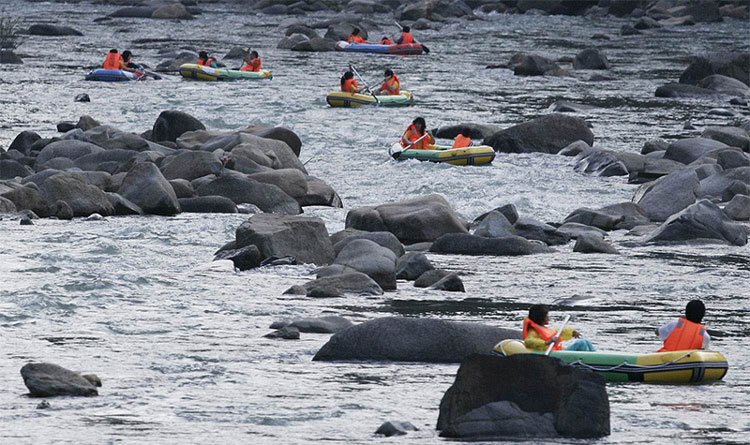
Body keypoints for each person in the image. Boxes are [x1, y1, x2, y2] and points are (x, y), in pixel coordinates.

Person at [523, 304, 595, 352]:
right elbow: (529, 341)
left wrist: (571, 332)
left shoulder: (543, 329)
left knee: (586, 342)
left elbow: (558, 333)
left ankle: (596, 358)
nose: (549, 318)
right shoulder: (533, 332)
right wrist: (547, 343)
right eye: (546, 317)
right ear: (540, 318)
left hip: (557, 351)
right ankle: (593, 361)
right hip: (554, 355)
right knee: (581, 343)